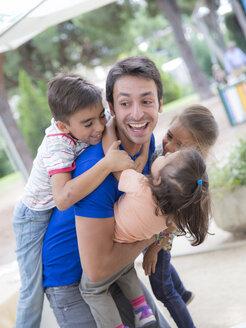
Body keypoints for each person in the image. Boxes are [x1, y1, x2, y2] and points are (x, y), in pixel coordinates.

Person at [43, 55, 171, 327]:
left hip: (116, 263)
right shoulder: (95, 166)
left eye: (146, 101)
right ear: (111, 107)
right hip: (73, 278)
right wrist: (155, 232)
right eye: (125, 103)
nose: (137, 114)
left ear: (160, 103)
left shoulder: (146, 140)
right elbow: (96, 268)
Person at [12, 73, 134, 328]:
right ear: (63, 127)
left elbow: (109, 125)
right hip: (33, 217)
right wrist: (107, 164)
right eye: (88, 123)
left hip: (51, 212)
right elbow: (63, 197)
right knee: (32, 289)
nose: (99, 127)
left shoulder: (94, 122)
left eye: (101, 116)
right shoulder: (58, 144)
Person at [80, 147, 211, 328]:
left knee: (92, 291)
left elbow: (116, 166)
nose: (164, 153)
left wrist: (110, 130)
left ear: (158, 180)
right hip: (127, 254)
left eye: (166, 158)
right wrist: (154, 248)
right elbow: (169, 229)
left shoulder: (141, 186)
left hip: (110, 247)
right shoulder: (171, 216)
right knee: (126, 271)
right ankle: (142, 308)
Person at [142, 105, 219, 328]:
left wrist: (154, 249)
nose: (169, 146)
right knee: (165, 273)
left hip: (163, 237)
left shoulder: (186, 175)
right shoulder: (161, 151)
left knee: (162, 289)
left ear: (198, 151)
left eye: (180, 145)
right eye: (169, 136)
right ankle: (183, 293)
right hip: (154, 229)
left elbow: (173, 223)